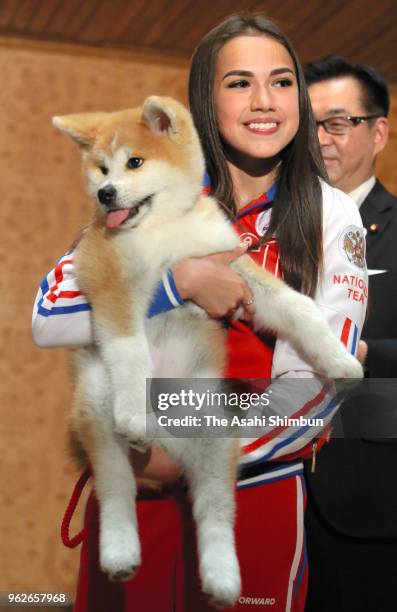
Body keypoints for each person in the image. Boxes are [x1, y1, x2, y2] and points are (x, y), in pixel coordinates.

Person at [32, 18, 366, 612]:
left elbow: (313, 388)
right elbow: (51, 314)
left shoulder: (329, 212)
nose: (264, 101)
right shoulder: (145, 183)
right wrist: (175, 283)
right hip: (134, 497)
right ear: (204, 102)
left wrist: (176, 446)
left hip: (247, 499)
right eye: (239, 83)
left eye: (282, 82)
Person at [303, 55, 397, 612]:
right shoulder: (268, 227)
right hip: (272, 492)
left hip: (374, 511)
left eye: (336, 123)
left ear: (378, 131)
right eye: (308, 125)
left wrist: (370, 355)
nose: (320, 140)